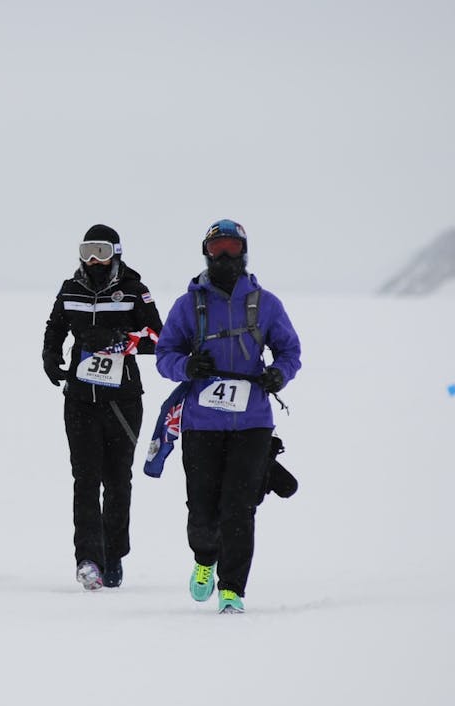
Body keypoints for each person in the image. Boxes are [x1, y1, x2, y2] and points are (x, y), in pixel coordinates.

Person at [154, 219, 301, 614]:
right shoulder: (188, 306)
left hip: (252, 421)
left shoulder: (266, 304)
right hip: (201, 423)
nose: (224, 256)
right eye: (217, 248)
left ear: (245, 252)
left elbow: (290, 352)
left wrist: (278, 374)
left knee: (239, 507)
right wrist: (186, 367)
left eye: (232, 248)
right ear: (206, 253)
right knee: (202, 507)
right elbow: (163, 355)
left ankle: (232, 589)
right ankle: (205, 560)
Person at [42, 224, 163, 590]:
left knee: (117, 480)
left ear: (117, 253)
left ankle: (113, 555)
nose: (94, 259)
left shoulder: (134, 289)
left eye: (101, 250)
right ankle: (88, 559)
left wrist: (122, 340)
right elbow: (55, 326)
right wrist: (49, 355)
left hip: (122, 401)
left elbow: (159, 336)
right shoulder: (71, 288)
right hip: (79, 399)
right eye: (87, 251)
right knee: (85, 479)